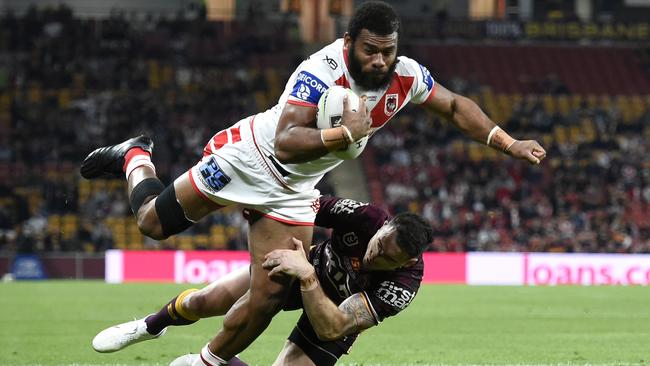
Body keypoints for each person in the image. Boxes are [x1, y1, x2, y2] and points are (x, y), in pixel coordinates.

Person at [81, 1, 546, 364]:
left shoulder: (405, 76)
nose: (381, 60)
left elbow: (454, 106)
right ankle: (135, 154)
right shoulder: (319, 72)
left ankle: (205, 361)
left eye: (389, 50)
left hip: (294, 193)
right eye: (371, 50)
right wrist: (346, 133)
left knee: (267, 295)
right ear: (349, 43)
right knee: (150, 224)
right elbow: (286, 141)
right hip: (250, 159)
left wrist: (508, 143)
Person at [92, 195, 434, 366]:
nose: (377, 257)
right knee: (205, 301)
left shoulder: (403, 284)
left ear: (407, 261)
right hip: (301, 263)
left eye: (389, 259)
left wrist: (308, 277)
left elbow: (336, 327)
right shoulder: (366, 216)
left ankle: (206, 363)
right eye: (379, 246)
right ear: (384, 227)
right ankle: (151, 326)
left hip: (331, 311)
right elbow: (305, 205)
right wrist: (262, 215)